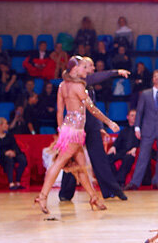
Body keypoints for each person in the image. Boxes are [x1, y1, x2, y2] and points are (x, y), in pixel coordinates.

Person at [34, 56, 120, 214]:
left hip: (68, 130)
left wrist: (61, 130)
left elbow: (60, 112)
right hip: (75, 132)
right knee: (60, 162)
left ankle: (93, 197)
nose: (86, 71)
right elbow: (92, 109)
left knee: (80, 166)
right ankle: (43, 195)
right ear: (75, 69)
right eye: (83, 67)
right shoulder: (78, 87)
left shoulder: (62, 86)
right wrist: (109, 122)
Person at [58, 58, 130, 202]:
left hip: (90, 125)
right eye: (88, 65)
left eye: (90, 65)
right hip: (76, 127)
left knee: (99, 158)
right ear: (78, 68)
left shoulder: (86, 84)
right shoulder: (77, 82)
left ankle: (111, 190)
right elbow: (97, 78)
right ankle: (65, 193)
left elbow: (93, 109)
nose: (91, 68)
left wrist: (100, 127)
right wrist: (116, 72)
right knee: (72, 159)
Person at [128, 70, 158, 190]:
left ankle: (157, 181)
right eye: (155, 77)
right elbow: (140, 111)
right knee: (142, 155)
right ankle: (135, 182)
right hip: (147, 128)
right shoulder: (145, 94)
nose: (157, 79)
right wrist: (137, 127)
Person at [0, 117, 27, 191]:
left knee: (22, 159)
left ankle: (17, 181)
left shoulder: (9, 136)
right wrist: (5, 153)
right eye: (6, 124)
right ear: (0, 126)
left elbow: (16, 147)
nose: (7, 125)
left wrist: (14, 152)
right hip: (1, 157)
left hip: (12, 154)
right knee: (9, 160)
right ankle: (11, 183)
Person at [108, 108, 141, 187]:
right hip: (122, 152)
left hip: (133, 153)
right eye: (132, 115)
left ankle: (120, 182)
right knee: (108, 158)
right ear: (128, 117)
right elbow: (118, 142)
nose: (134, 117)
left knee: (128, 158)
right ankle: (114, 180)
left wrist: (136, 148)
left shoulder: (140, 130)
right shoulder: (124, 131)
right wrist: (113, 147)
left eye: (136, 116)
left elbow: (143, 143)